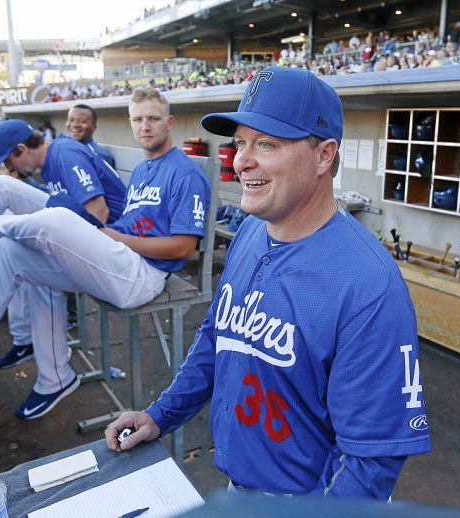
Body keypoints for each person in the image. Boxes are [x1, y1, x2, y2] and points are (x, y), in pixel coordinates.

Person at [103, 67, 430, 498]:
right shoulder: (252, 231)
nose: (241, 160)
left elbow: (372, 461)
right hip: (240, 487)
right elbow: (217, 337)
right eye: (240, 142)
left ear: (323, 155)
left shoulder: (368, 284)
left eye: (266, 143)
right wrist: (161, 414)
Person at [0, 87, 210, 420]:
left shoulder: (185, 173)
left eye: (153, 119)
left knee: (54, 219)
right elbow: (125, 225)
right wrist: (111, 235)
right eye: (138, 119)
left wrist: (112, 236)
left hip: (143, 276)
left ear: (169, 122)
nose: (145, 126)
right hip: (117, 260)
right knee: (13, 252)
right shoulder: (144, 170)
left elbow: (184, 248)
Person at [65, 104, 116, 169]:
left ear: (94, 127)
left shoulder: (99, 157)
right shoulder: (58, 148)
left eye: (82, 121)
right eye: (71, 120)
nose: (75, 125)